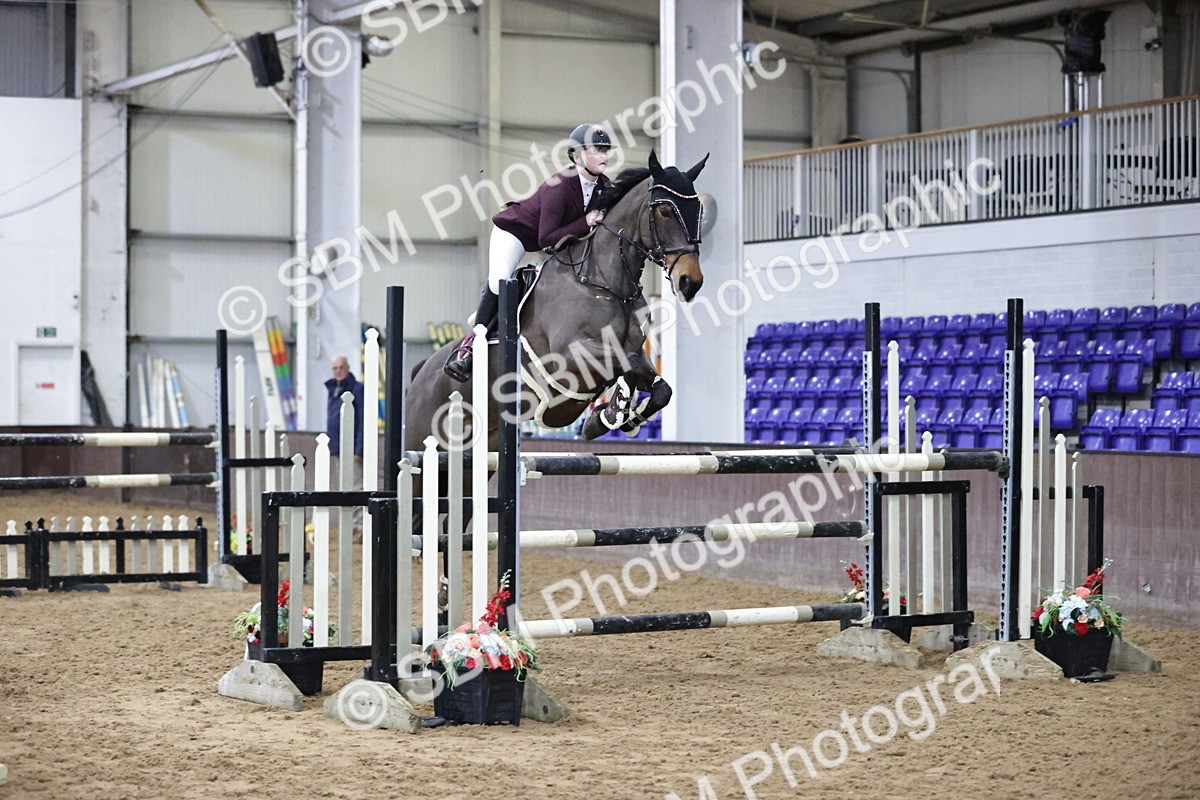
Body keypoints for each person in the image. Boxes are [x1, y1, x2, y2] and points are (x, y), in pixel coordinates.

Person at [443, 123, 616, 382]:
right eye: (596, 150)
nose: (603, 155)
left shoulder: (605, 187)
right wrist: (586, 222)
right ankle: (469, 348)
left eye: (605, 150)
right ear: (576, 156)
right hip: (516, 234)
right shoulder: (559, 185)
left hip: (551, 244)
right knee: (501, 282)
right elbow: (546, 237)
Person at [325, 355, 365, 535]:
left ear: (347, 368)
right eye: (335, 368)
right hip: (338, 448)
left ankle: (361, 527)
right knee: (344, 488)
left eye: (341, 367)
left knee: (356, 487)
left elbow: (363, 421)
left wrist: (359, 449)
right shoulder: (333, 390)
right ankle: (351, 527)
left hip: (351, 449)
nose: (338, 371)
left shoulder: (357, 389)